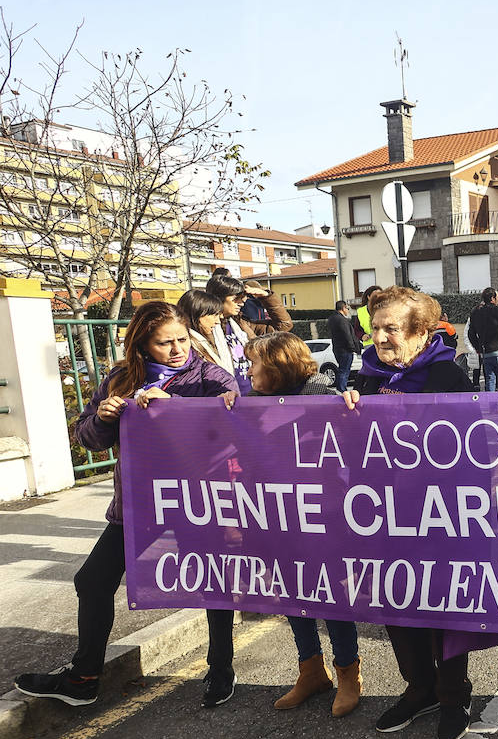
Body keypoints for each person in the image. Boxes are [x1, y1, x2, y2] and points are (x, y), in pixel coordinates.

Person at [14, 302, 241, 709]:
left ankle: (221, 670)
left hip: (196, 501)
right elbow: (88, 438)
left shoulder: (209, 374)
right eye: (163, 343)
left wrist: (182, 409)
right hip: (138, 503)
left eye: (181, 339)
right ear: (141, 345)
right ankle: (83, 679)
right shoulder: (120, 378)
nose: (176, 349)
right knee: (93, 581)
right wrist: (102, 417)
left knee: (211, 583)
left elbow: (238, 418)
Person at [342, 286, 498, 739]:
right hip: (386, 517)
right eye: (374, 328)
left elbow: (479, 455)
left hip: (443, 519)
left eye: (391, 329)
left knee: (445, 609)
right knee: (398, 605)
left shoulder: (450, 380)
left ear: (421, 332)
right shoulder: (368, 378)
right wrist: (347, 414)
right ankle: (419, 689)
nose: (379, 337)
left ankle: (454, 695)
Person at [221, 332, 363, 717]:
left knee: (331, 594)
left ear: (279, 368)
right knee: (292, 593)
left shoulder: (323, 395)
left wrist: (349, 406)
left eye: (255, 365)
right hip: (271, 514)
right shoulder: (249, 402)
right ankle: (311, 671)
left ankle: (348, 674)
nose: (247, 372)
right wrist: (226, 406)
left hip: (320, 512)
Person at [205, 274, 293, 395]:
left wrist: (266, 296)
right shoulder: (206, 329)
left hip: (252, 395)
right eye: (236, 299)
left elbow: (283, 325)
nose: (241, 303)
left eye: (242, 298)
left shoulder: (243, 324)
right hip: (225, 398)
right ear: (218, 299)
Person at [177, 289, 232, 377]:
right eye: (214, 315)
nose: (218, 321)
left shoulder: (202, 341)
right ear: (197, 314)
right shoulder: (187, 349)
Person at [327, 300, 363, 392]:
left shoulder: (332, 319)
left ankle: (341, 388)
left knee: (342, 369)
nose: (348, 310)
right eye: (347, 308)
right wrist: (353, 348)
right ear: (343, 308)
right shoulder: (341, 320)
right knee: (344, 371)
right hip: (345, 349)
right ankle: (342, 389)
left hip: (337, 349)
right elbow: (347, 335)